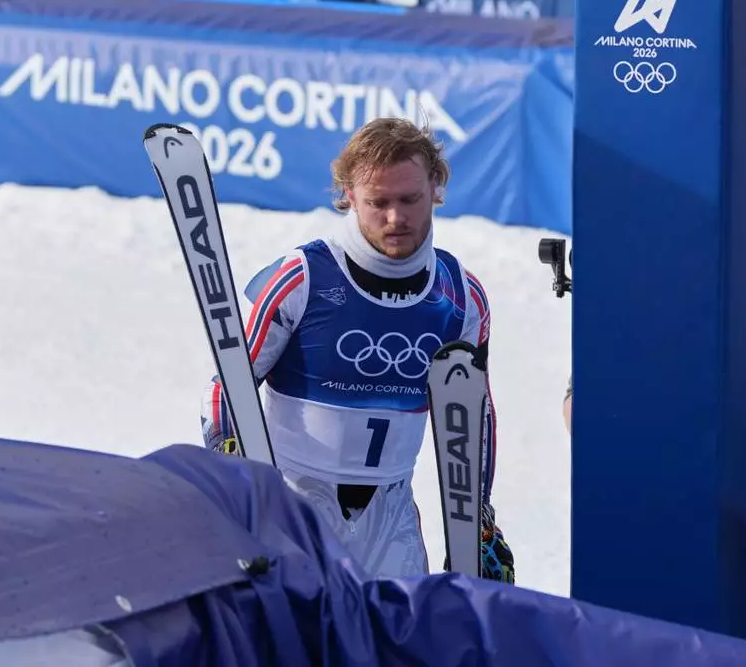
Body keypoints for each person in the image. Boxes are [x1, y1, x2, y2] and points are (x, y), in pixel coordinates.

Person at [200, 117, 514, 583]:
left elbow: (475, 414)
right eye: (377, 202)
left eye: (409, 199)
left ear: (436, 187)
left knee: (401, 649)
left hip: (391, 513)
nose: (395, 217)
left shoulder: (461, 296)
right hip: (294, 501)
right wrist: (228, 463)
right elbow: (227, 386)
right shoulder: (300, 277)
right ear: (348, 194)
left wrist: (479, 521)